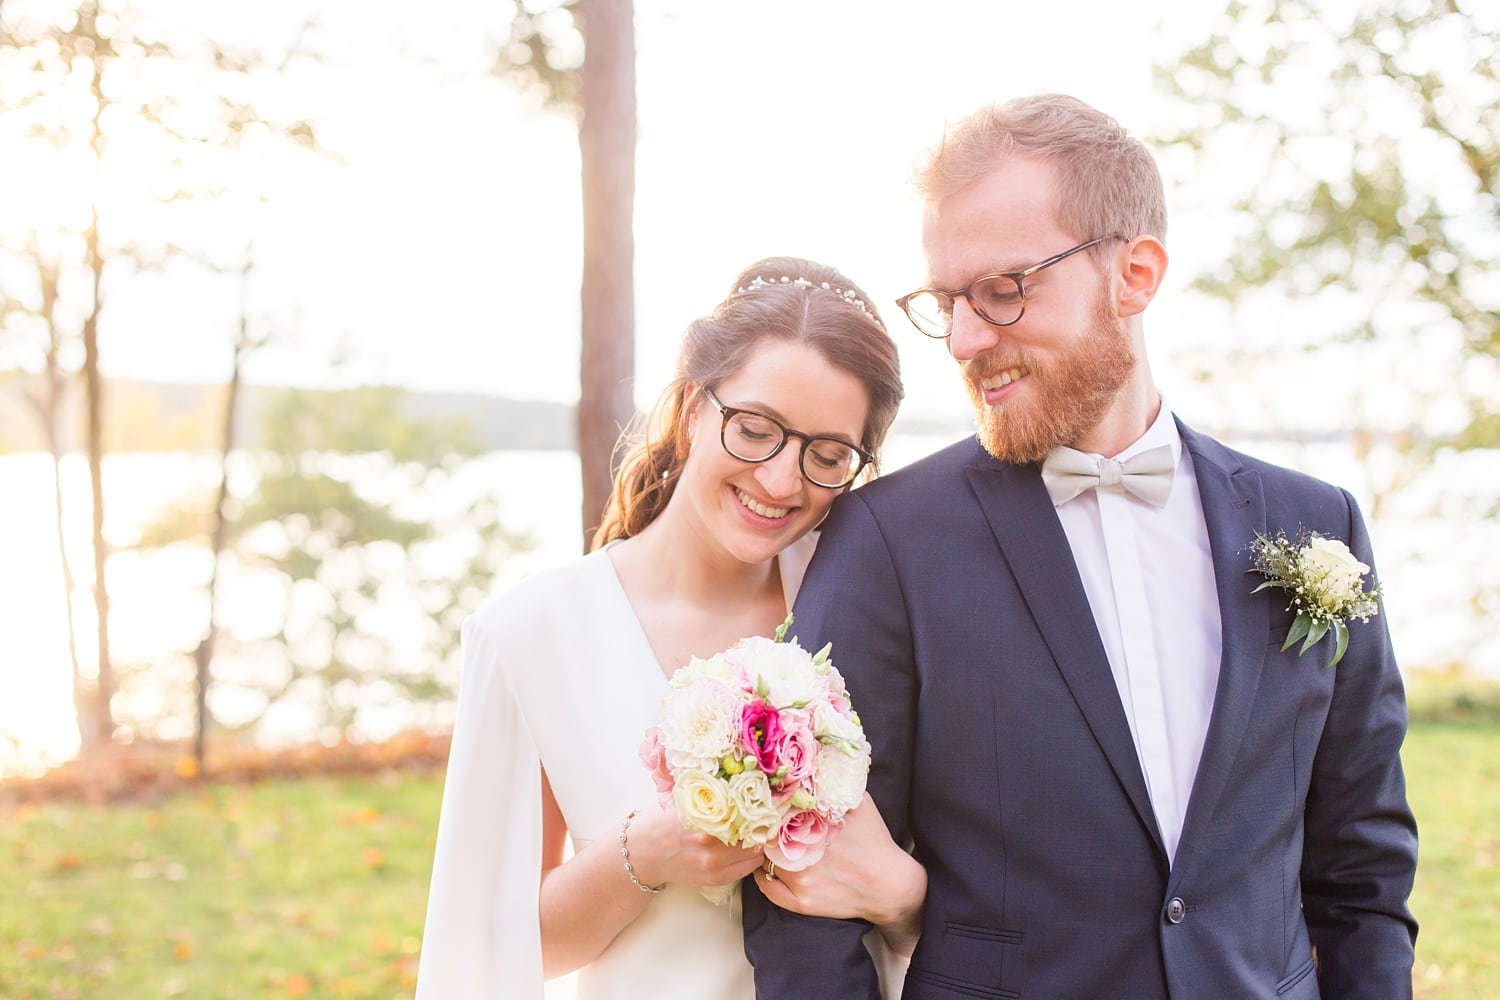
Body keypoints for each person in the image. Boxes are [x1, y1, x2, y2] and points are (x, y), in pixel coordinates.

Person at [743, 94, 1419, 999]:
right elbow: (801, 878)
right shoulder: (887, 541)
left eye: (1003, 290)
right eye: (947, 301)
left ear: (1134, 275)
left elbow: (1363, 872)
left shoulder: (1317, 524)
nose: (967, 339)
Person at [414, 256, 925, 1000]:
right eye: (755, 430)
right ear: (692, 406)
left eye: (827, 455)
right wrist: (641, 854)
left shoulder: (875, 608)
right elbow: (489, 947)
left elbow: (955, 901)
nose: (781, 481)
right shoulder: (529, 634)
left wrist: (901, 895)